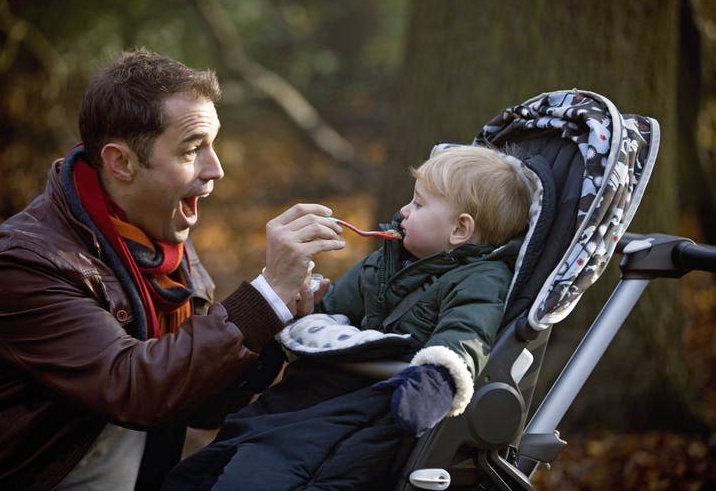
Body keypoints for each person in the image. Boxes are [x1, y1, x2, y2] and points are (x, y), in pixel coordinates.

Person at [0, 49, 346, 490]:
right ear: (121, 162)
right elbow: (133, 387)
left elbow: (196, 402)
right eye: (192, 149)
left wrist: (278, 323)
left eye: (213, 143)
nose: (216, 168)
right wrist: (264, 295)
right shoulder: (27, 263)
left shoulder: (159, 237)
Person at [162, 143, 533, 490]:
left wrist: (436, 379)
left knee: (271, 469)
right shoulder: (386, 261)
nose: (404, 211)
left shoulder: (483, 280)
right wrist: (302, 317)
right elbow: (336, 306)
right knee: (215, 456)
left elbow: (466, 332)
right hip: (319, 388)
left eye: (418, 205)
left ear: (459, 230)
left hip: (374, 407)